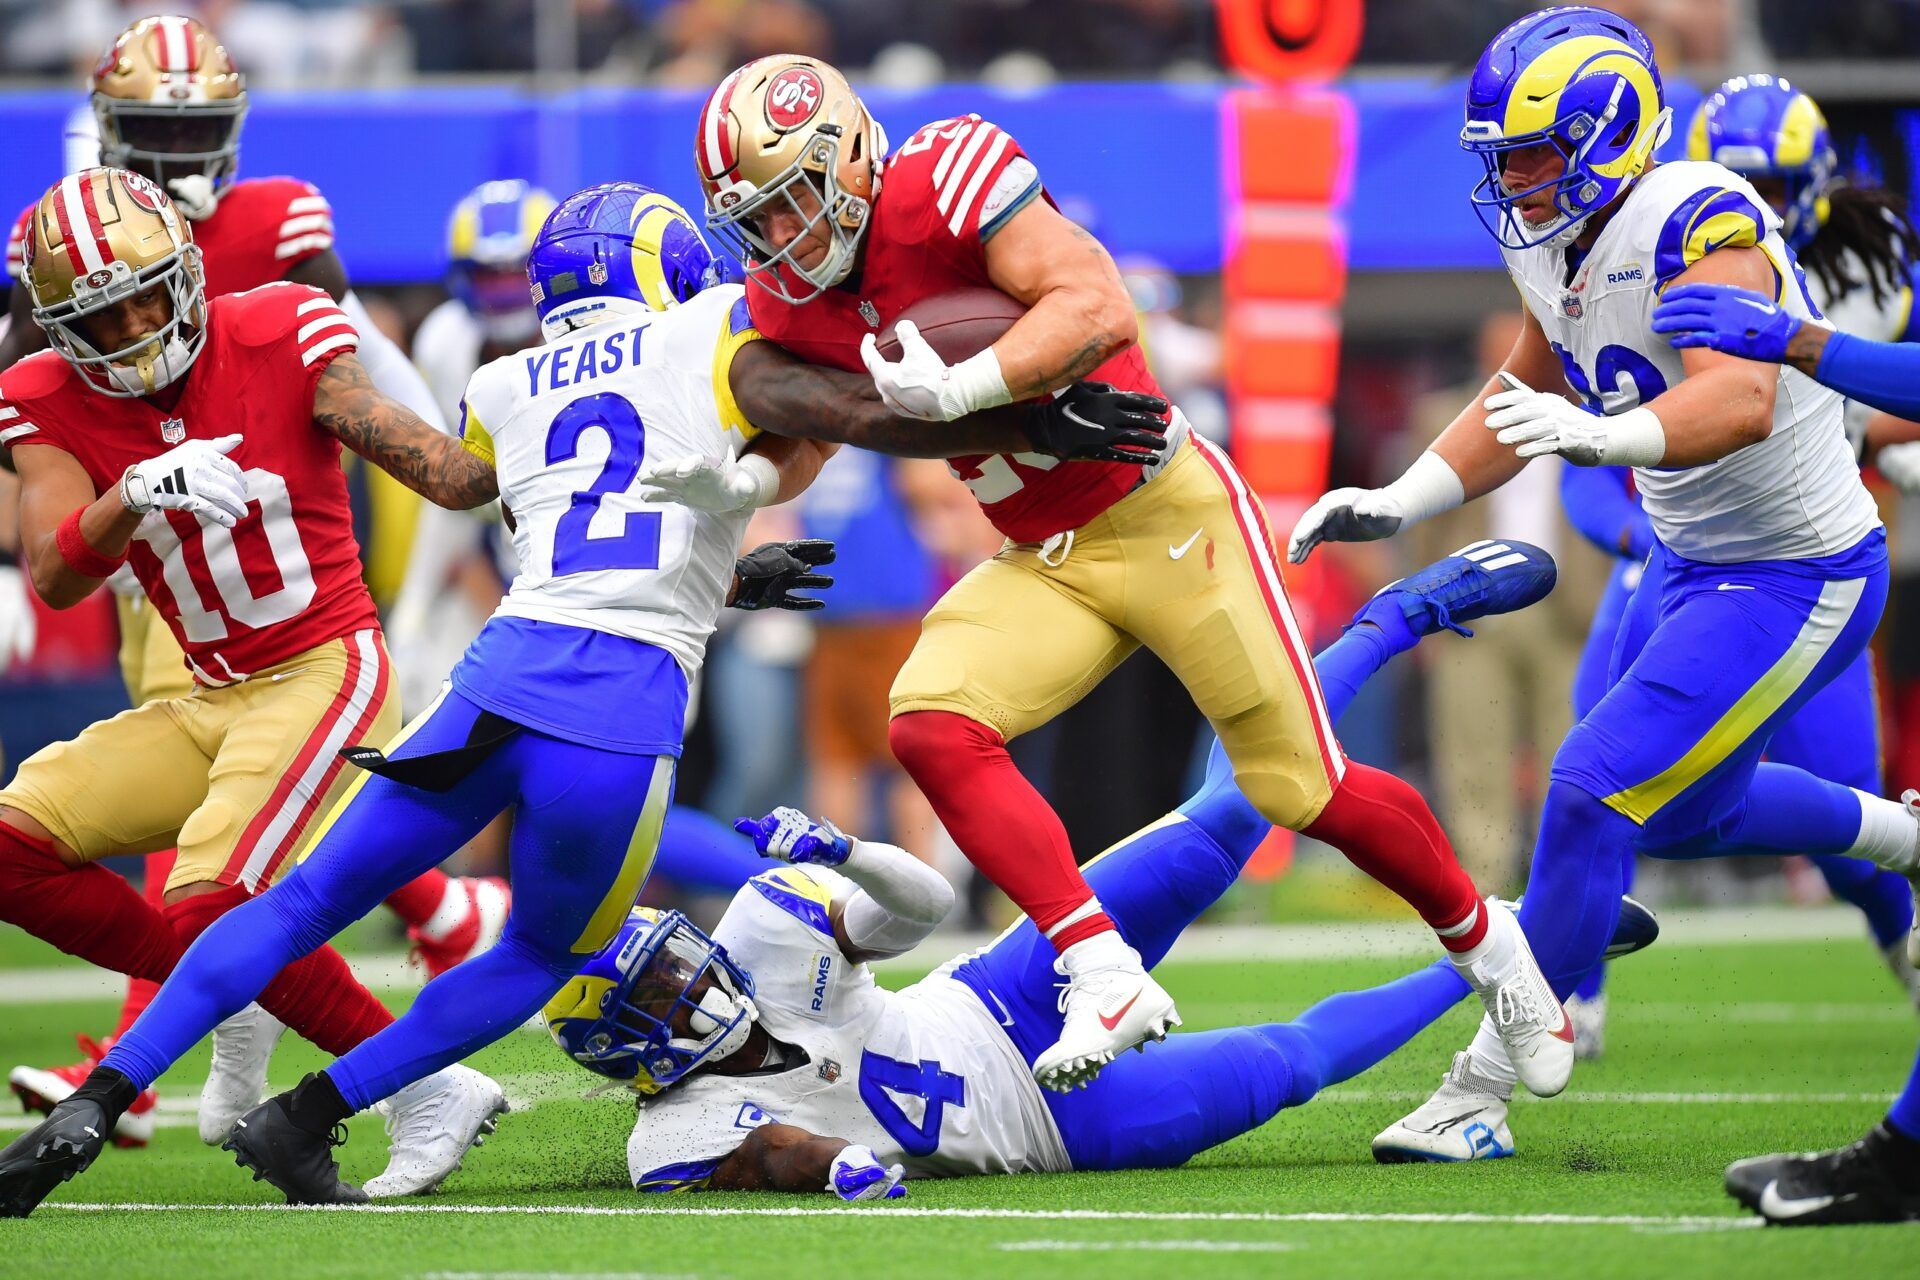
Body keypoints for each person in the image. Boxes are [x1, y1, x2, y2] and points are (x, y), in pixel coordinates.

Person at [0, 180, 1179, 1216]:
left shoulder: (509, 380)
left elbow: (506, 501)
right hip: (613, 707)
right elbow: (847, 411)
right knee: (538, 949)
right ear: (665, 264)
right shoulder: (713, 329)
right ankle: (310, 1108)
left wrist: (717, 563)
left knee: (299, 896)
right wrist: (1024, 417)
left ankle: (101, 1095)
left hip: (491, 678)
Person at [687, 53, 1571, 1097]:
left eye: (791, 206)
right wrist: (736, 479)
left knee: (1304, 785)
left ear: (849, 157)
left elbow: (1097, 304)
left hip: (1166, 517)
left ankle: (1498, 953)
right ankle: (1101, 966)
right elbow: (821, 425)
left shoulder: (943, 177)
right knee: (929, 719)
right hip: (1042, 554)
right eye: (759, 222)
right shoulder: (788, 302)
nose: (780, 241)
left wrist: (966, 385)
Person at [1287, 7, 1920, 1163]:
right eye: (1501, 156)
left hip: (1797, 565)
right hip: (1688, 557)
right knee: (1683, 809)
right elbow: (1517, 395)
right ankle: (1898, 832)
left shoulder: (1699, 216)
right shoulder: (1548, 233)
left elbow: (1741, 401)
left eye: (1530, 153)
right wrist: (1406, 499)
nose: (1512, 179)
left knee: (1588, 784)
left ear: (1609, 134)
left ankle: (1482, 1084)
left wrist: (1594, 436)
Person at [544, 544, 1657, 1197]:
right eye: (664, 994)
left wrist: (849, 852)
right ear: (639, 1056)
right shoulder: (674, 1134)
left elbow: (927, 906)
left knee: (1228, 813)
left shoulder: (759, 930)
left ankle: (1391, 616)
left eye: (674, 961)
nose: (694, 978)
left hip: (998, 989)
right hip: (1051, 1125)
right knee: (1294, 1058)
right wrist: (833, 1166)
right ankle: (1519, 938)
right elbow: (780, 1149)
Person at [1, 16, 511, 1141]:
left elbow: (434, 461)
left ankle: (386, 1073)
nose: (136, 331)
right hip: (200, 679)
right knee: (23, 849)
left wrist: (537, 467)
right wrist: (132, 492)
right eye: (103, 316)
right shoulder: (45, 387)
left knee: (213, 893)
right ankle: (286, 1008)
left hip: (317, 661)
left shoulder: (280, 317)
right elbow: (51, 570)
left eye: (150, 297)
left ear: (190, 270)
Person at [1649, 223, 1920, 1228]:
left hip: (1815, 552)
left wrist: (1803, 343)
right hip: (1694, 555)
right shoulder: (1664, 253)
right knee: (1637, 790)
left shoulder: (1884, 280)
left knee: (1647, 790)